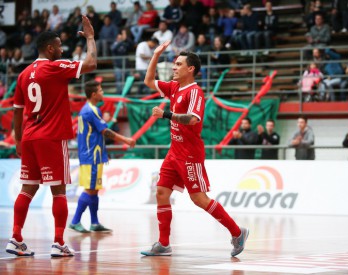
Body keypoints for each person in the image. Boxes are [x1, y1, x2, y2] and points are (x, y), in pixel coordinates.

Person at [140, 41, 249, 257]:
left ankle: (237, 233)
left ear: (190, 69)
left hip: (190, 154)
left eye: (178, 64)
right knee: (161, 193)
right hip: (174, 152)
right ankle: (163, 243)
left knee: (199, 199)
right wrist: (155, 54)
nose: (174, 67)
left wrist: (167, 115)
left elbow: (191, 119)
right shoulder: (174, 87)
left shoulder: (195, 92)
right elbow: (148, 80)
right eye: (174, 64)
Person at [5, 15, 97, 257]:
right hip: (52, 137)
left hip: (30, 137)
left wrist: (17, 140)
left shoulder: (24, 74)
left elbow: (17, 111)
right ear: (50, 49)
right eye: (59, 46)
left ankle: (15, 238)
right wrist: (90, 37)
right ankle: (58, 242)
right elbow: (91, 64)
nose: (62, 49)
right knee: (59, 191)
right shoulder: (55, 67)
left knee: (27, 189)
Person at [69, 81, 135, 233]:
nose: (103, 93)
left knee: (95, 189)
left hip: (95, 154)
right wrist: (126, 140)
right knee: (90, 189)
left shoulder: (91, 109)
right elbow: (105, 131)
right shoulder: (90, 110)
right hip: (90, 155)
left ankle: (94, 222)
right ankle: (75, 221)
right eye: (101, 90)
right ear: (93, 94)